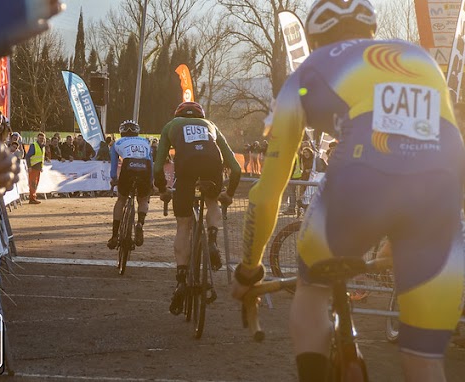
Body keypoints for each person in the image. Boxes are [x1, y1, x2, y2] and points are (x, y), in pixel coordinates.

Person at [231, 1, 465, 381]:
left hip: (360, 182)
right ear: (371, 31)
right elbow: (452, 150)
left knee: (312, 289)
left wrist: (248, 271)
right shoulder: (419, 59)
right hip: (440, 188)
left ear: (315, 38)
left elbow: (267, 193)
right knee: (424, 360)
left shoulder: (306, 72)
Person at [154, 101, 242, 315]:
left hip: (186, 169)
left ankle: (181, 279)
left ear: (179, 114)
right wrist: (228, 194)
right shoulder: (210, 124)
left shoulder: (171, 125)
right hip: (213, 166)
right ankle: (212, 240)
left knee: (183, 225)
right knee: (212, 201)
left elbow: (158, 166)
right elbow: (236, 168)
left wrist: (163, 189)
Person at [107, 120, 153, 249]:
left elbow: (114, 165)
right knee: (143, 199)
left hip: (128, 167)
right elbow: (151, 163)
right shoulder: (146, 142)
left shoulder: (117, 143)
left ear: (121, 132)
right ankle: (140, 224)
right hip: (145, 167)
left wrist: (114, 178)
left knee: (121, 200)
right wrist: (152, 181)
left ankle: (115, 235)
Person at [26, 132, 46, 204]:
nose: (41, 140)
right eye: (40, 138)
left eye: (42, 138)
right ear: (37, 138)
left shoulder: (42, 146)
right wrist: (29, 166)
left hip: (38, 168)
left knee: (35, 183)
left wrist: (41, 167)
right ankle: (32, 198)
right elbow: (27, 156)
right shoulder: (34, 145)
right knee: (33, 183)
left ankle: (33, 197)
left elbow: (41, 157)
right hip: (33, 167)